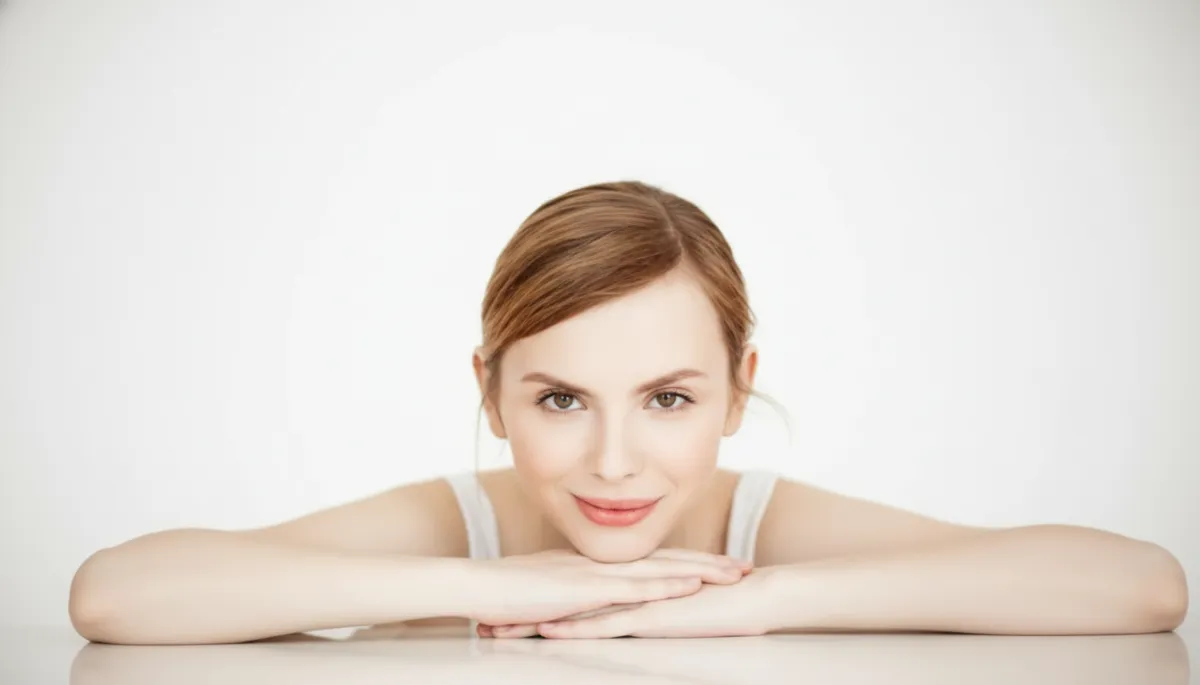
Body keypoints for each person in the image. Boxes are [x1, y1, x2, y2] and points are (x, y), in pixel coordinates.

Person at [67, 180, 1189, 645]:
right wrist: (483, 586)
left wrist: (753, 604)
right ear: (490, 393)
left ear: (739, 390)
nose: (614, 460)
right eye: (559, 397)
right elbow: (116, 594)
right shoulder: (463, 522)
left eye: (668, 398)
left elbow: (1140, 586)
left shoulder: (755, 529)